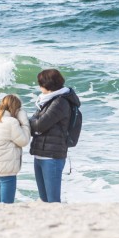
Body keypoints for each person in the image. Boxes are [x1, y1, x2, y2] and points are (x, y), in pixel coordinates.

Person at [28, 69, 81, 203]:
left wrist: (29, 123)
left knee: (53, 200)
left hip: (52, 156)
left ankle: (57, 223)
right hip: (40, 154)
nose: (39, 86)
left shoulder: (60, 102)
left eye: (40, 83)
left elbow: (39, 125)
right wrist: (31, 123)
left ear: (47, 84)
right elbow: (35, 123)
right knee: (44, 199)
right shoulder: (46, 100)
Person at [0, 94, 31, 204]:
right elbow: (23, 141)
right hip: (6, 169)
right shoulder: (11, 122)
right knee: (7, 204)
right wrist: (24, 123)